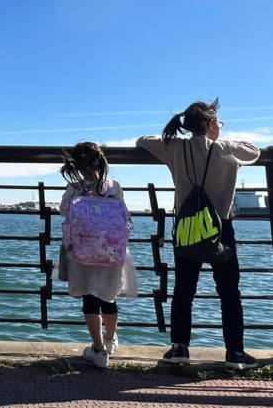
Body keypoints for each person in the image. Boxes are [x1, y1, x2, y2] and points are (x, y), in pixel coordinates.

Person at [137, 99, 260, 370]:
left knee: (184, 289)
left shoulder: (174, 148)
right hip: (221, 228)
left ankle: (180, 348)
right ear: (210, 123)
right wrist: (220, 139)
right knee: (229, 291)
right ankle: (235, 353)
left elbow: (142, 141)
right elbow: (254, 151)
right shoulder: (228, 149)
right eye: (217, 121)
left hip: (187, 227)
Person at [59, 142, 136, 369]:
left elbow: (63, 210)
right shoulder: (114, 187)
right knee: (109, 297)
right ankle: (110, 340)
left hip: (83, 252)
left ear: (76, 165)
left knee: (90, 299)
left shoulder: (74, 189)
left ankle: (99, 351)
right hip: (111, 250)